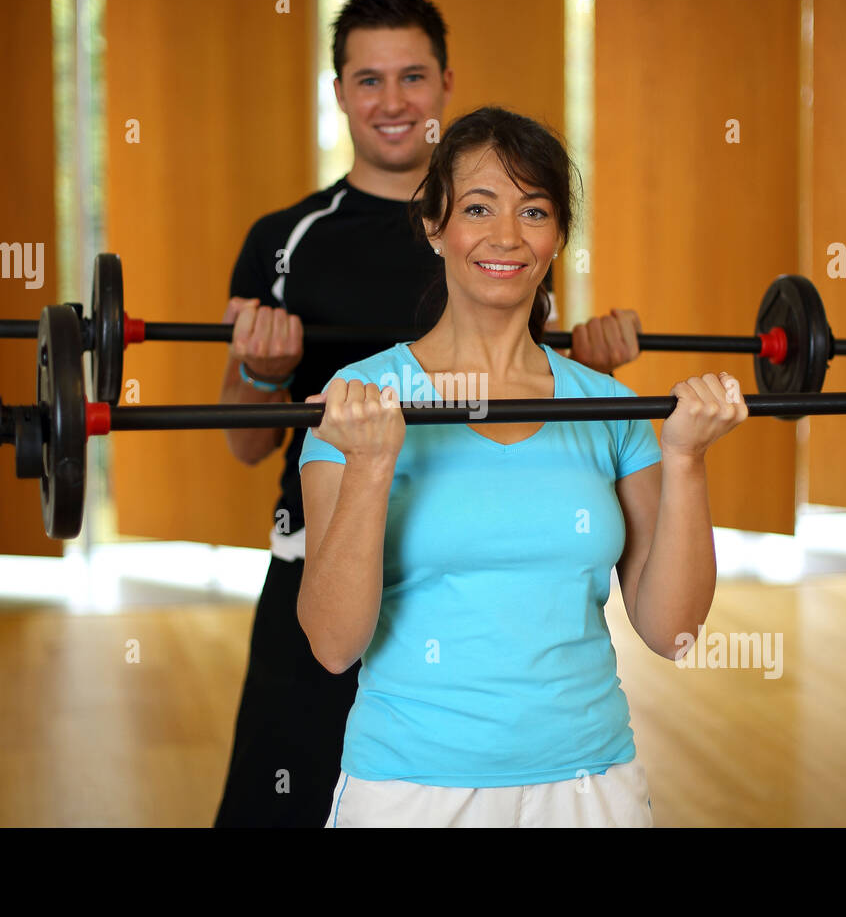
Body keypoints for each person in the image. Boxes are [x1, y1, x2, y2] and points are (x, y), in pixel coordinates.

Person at [214, 0, 644, 828]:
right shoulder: (285, 240)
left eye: (411, 77)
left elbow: (539, 381)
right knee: (283, 804)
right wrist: (266, 375)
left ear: (446, 84)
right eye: (368, 80)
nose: (392, 101)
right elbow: (244, 441)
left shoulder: (492, 238)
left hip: (465, 575)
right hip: (323, 558)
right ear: (339, 92)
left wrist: (591, 361)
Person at [298, 106, 748, 827]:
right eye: (479, 208)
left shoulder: (609, 410)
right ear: (434, 223)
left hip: (590, 783)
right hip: (410, 787)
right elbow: (331, 643)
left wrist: (687, 459)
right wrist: (372, 466)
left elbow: (673, 633)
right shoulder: (360, 406)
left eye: (533, 211)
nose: (506, 237)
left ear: (559, 236)